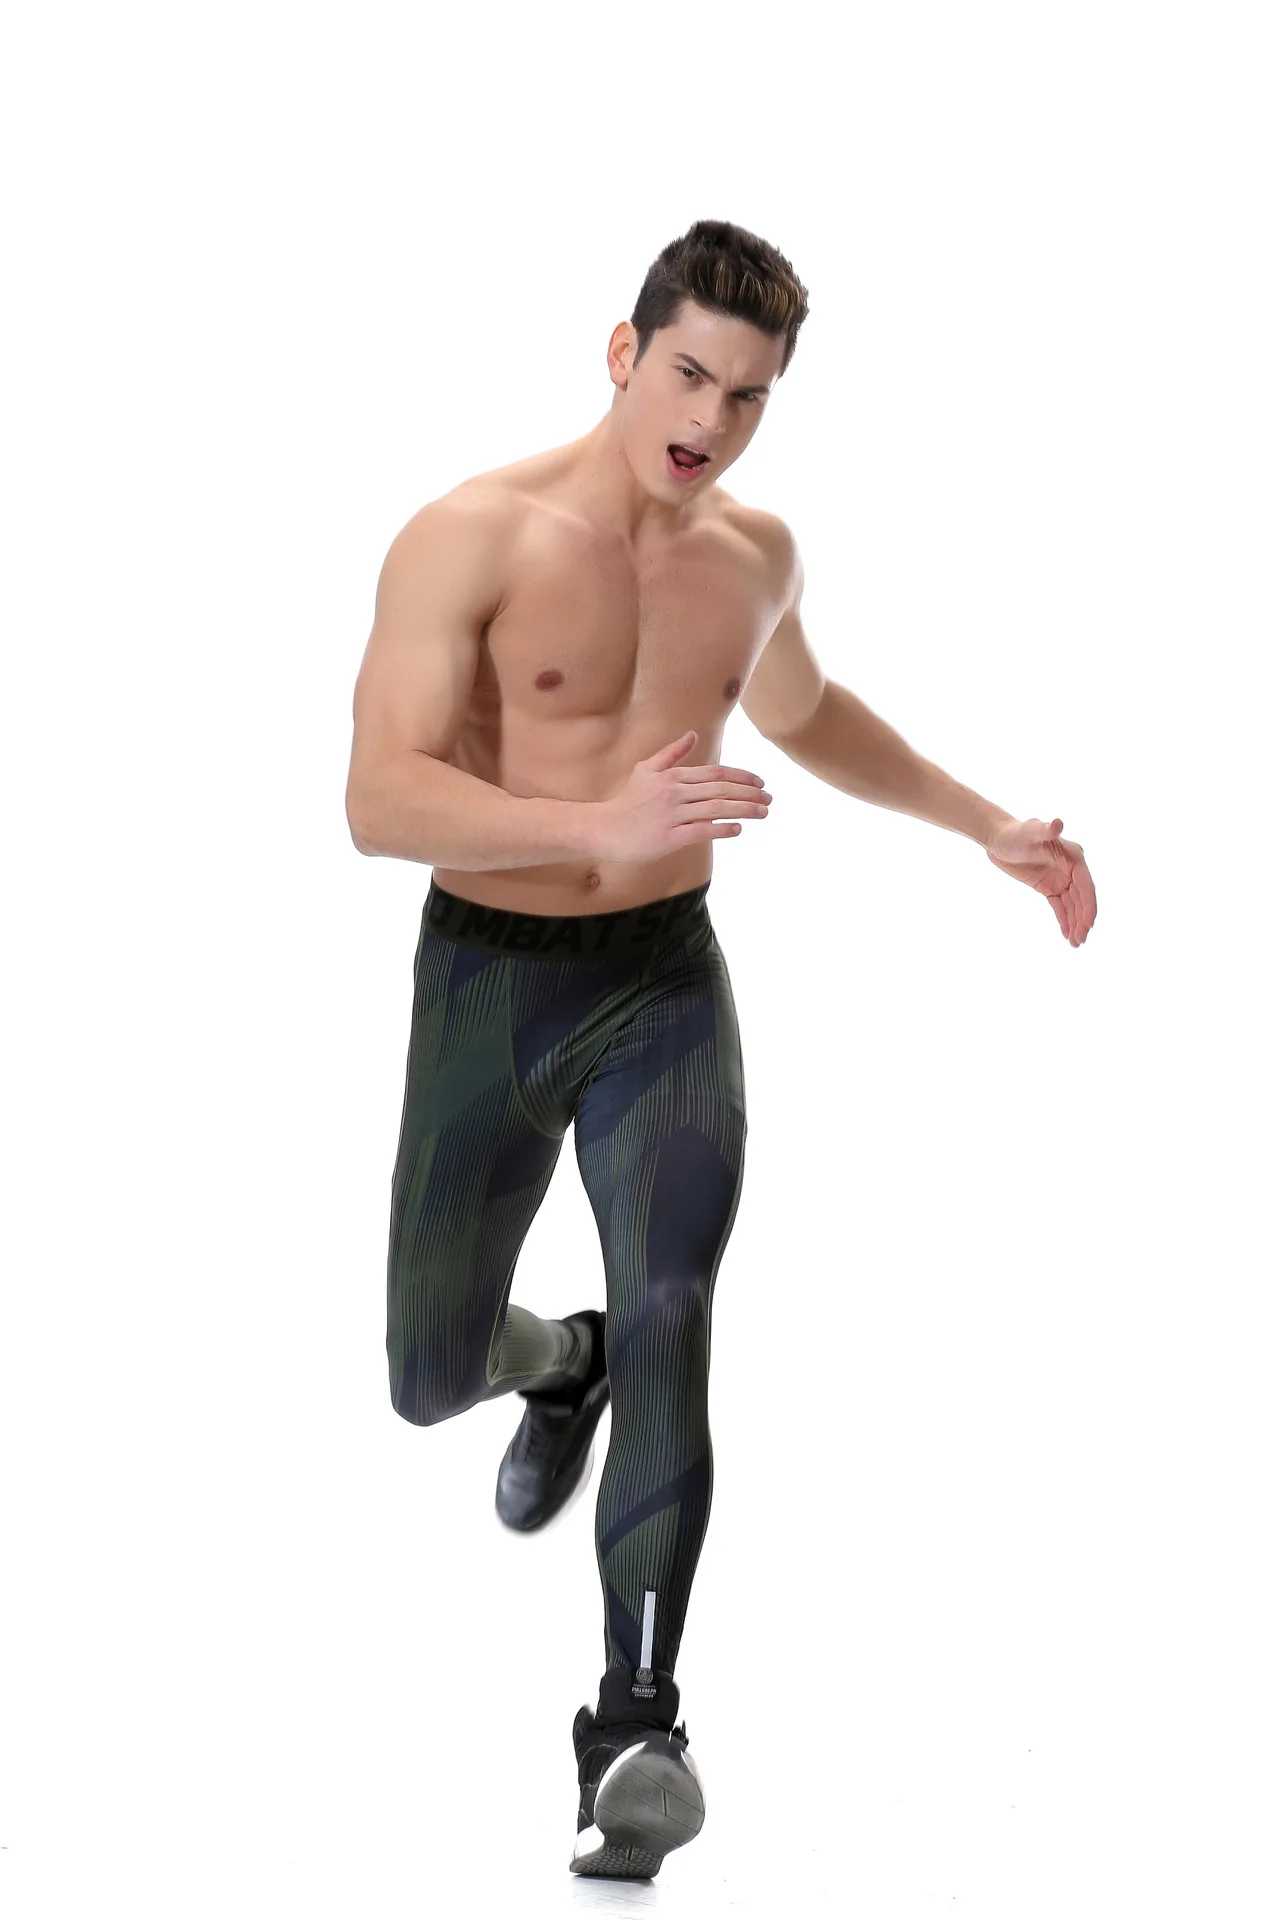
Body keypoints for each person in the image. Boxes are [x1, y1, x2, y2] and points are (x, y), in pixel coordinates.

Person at [343, 217, 1098, 1880]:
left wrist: (986, 824)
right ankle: (560, 1363)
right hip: (489, 986)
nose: (710, 420)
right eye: (689, 374)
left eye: (748, 396)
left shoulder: (754, 555)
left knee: (677, 1307)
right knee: (426, 1370)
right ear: (624, 353)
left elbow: (807, 709)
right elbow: (379, 796)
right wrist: (586, 820)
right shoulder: (468, 536)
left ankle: (636, 1728)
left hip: (664, 988)